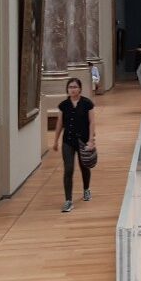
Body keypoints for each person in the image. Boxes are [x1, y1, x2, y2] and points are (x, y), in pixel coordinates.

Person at [53, 78, 96, 213]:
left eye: (75, 87)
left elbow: (92, 122)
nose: (72, 89)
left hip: (83, 141)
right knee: (68, 169)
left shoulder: (87, 103)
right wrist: (55, 140)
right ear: (67, 89)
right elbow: (60, 123)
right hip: (68, 141)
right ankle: (68, 200)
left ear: (80, 89)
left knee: (84, 166)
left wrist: (91, 140)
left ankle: (86, 189)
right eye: (70, 87)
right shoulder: (63, 105)